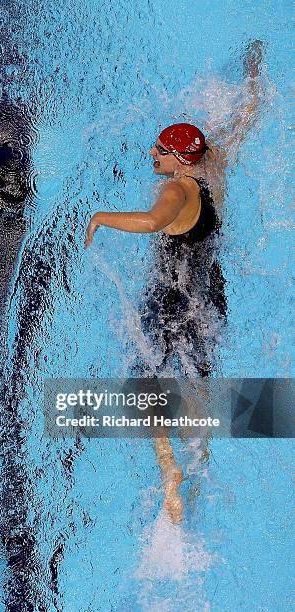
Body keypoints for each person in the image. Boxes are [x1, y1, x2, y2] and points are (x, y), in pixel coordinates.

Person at [85, 40, 264, 523]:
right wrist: (253, 79)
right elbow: (241, 124)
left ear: (180, 160)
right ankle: (200, 460)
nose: (153, 154)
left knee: (145, 383)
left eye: (161, 150)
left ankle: (170, 473)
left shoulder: (176, 187)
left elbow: (149, 221)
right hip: (209, 293)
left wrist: (101, 216)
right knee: (198, 377)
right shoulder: (212, 170)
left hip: (169, 296)